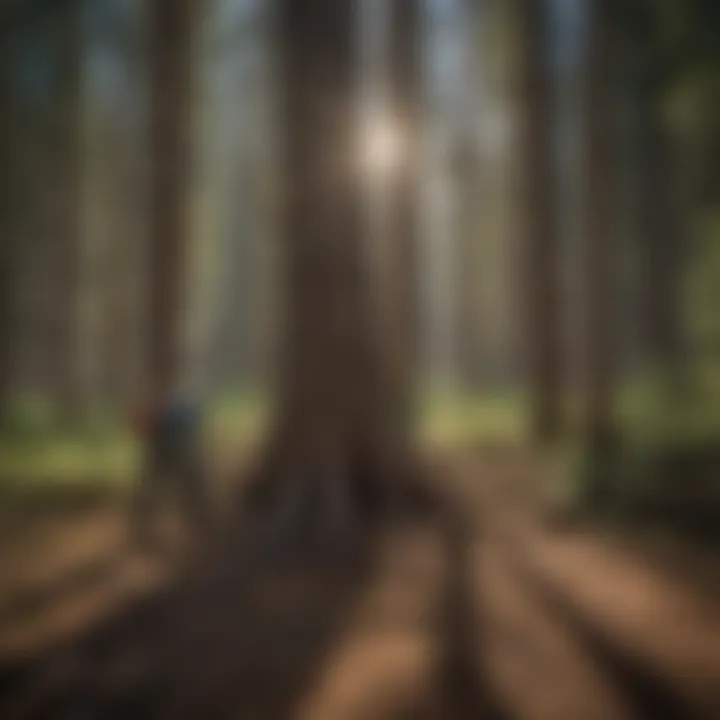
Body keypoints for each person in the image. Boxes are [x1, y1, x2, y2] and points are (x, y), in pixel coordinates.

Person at [131, 387, 210, 550]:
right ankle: (143, 531)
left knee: (189, 490)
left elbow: (194, 427)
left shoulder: (182, 403)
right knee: (152, 494)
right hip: (163, 453)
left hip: (175, 452)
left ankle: (201, 524)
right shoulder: (158, 402)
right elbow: (139, 428)